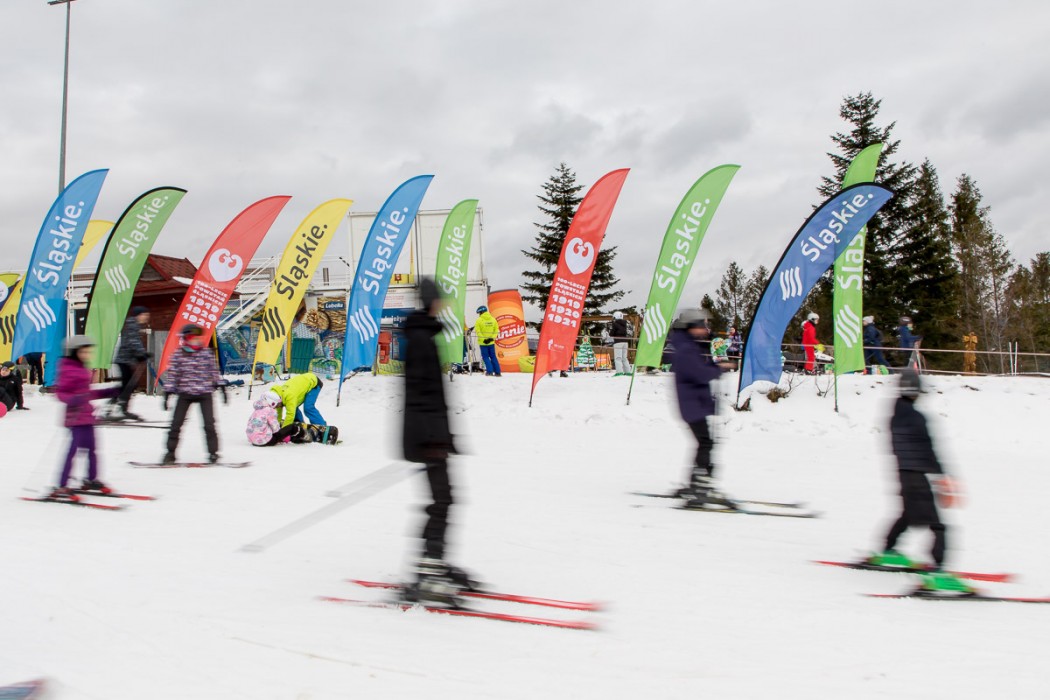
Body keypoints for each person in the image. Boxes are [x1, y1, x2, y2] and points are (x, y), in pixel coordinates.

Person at [402, 277, 474, 605]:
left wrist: (446, 435)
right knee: (442, 502)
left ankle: (435, 564)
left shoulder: (424, 335)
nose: (444, 305)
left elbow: (433, 395)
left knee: (443, 501)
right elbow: (420, 395)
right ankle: (428, 570)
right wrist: (433, 438)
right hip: (426, 436)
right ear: (432, 301)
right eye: (440, 300)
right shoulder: (420, 339)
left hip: (431, 435)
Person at [868, 369, 969, 594]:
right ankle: (939, 572)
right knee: (938, 526)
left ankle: (887, 550)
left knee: (907, 515)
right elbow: (928, 450)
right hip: (918, 477)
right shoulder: (917, 418)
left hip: (902, 474)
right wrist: (943, 476)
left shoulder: (893, 414)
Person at [670, 308, 732, 509]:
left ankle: (696, 484)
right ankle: (700, 486)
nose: (705, 329)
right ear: (691, 327)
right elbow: (699, 373)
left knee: (704, 442)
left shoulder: (687, 344)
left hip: (693, 402)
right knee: (706, 443)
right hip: (692, 403)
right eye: (702, 325)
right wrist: (718, 369)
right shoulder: (687, 348)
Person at [51, 336, 120, 502]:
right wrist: (71, 399)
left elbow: (87, 393)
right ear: (74, 352)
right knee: (73, 452)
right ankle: (62, 485)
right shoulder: (68, 368)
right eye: (83, 351)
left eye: (89, 351)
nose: (87, 354)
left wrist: (108, 392)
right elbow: (60, 392)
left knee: (93, 450)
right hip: (75, 417)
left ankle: (91, 480)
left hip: (87, 416)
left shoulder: (82, 368)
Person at [161, 325, 224, 465]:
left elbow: (214, 372)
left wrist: (220, 385)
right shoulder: (178, 354)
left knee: (209, 425)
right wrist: (168, 392)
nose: (198, 339)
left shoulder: (206, 353)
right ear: (187, 338)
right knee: (175, 424)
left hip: (204, 393)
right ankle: (170, 453)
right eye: (195, 337)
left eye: (199, 337)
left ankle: (213, 454)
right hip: (185, 394)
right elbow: (173, 375)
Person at [111, 306, 151, 419]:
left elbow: (133, 342)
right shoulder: (132, 324)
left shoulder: (132, 324)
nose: (147, 318)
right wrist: (142, 354)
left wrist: (141, 354)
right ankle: (118, 407)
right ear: (139, 315)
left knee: (128, 385)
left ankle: (120, 407)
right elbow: (133, 342)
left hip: (126, 359)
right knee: (128, 385)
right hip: (124, 359)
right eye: (145, 315)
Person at [473, 305, 501, 376]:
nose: (479, 314)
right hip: (491, 342)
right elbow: (496, 330)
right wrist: (491, 338)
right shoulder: (493, 319)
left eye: (479, 313)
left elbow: (478, 332)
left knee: (485, 357)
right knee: (493, 356)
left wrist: (484, 340)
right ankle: (497, 372)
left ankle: (489, 371)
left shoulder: (478, 320)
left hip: (483, 343)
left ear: (481, 312)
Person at [609, 311, 633, 376]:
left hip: (618, 342)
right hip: (625, 342)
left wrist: (611, 328)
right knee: (624, 357)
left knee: (618, 358)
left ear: (615, 317)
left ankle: (619, 372)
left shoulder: (615, 323)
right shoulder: (625, 323)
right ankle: (628, 372)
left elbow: (611, 334)